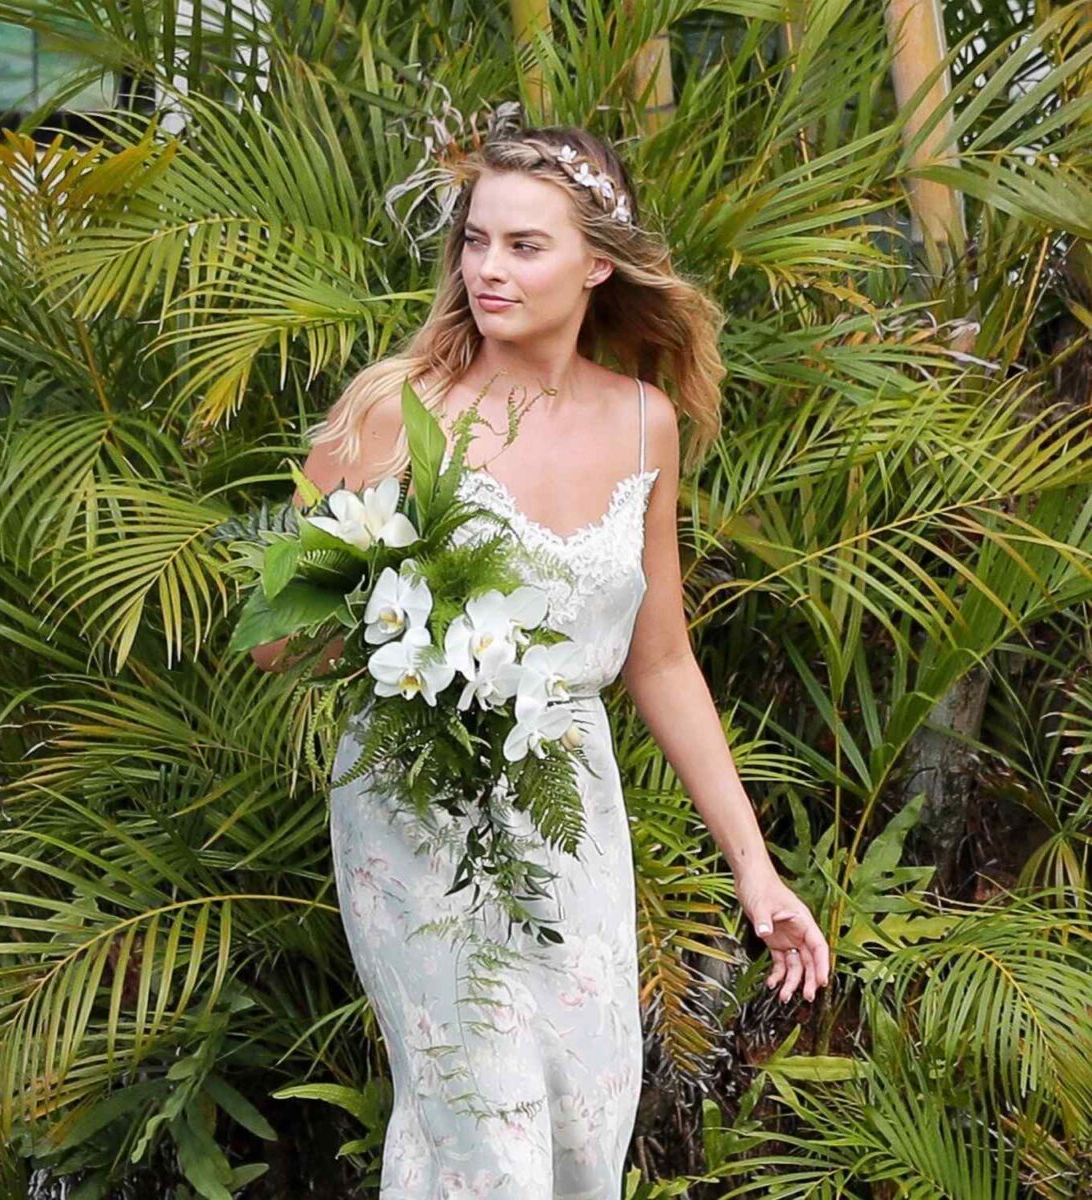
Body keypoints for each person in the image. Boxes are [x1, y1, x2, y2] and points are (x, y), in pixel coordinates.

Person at [253, 123, 831, 1199]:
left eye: (525, 246)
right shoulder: (393, 410)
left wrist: (755, 867)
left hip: (570, 801)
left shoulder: (647, 425)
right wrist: (365, 589)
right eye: (476, 242)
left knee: (579, 1116)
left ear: (597, 262)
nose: (487, 270)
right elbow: (278, 637)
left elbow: (660, 664)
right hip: (415, 806)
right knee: (490, 1127)